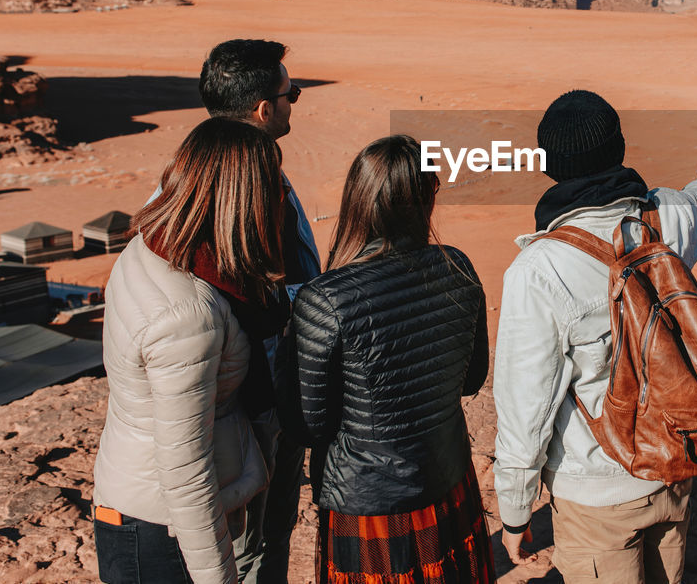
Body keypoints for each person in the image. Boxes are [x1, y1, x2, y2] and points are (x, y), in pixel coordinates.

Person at [493, 79, 697, 584]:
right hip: (672, 469)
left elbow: (527, 407)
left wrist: (516, 513)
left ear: (549, 166)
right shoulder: (665, 218)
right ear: (619, 150)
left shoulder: (540, 270)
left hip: (596, 497)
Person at [290, 135, 496, 584]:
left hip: (368, 503)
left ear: (357, 200)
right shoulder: (458, 267)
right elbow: (471, 378)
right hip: (448, 476)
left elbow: (308, 425)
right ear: (425, 199)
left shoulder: (324, 300)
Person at [93, 117, 288, 584]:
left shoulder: (156, 245)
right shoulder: (188, 317)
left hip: (143, 508)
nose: (282, 196)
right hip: (164, 533)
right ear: (246, 201)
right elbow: (184, 472)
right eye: (273, 185)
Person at [198, 39, 322, 583]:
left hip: (268, 394)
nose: (295, 100)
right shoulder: (238, 188)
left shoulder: (195, 178)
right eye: (290, 93)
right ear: (263, 109)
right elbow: (244, 294)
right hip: (251, 400)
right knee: (252, 545)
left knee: (271, 536)